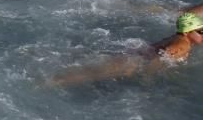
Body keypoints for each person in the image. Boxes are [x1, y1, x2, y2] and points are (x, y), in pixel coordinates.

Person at [50, 13, 203, 87]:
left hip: (132, 56)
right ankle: (42, 84)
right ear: (187, 32)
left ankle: (48, 80)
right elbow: (160, 59)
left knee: (86, 71)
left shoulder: (177, 38)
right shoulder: (183, 45)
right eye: (200, 31)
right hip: (132, 63)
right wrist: (147, 78)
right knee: (82, 76)